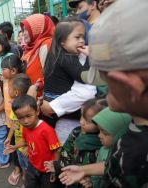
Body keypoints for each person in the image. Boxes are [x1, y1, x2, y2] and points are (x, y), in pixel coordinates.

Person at [59, 0, 148, 187]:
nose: (105, 94)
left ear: (129, 85)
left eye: (107, 82)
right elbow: (117, 163)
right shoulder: (135, 128)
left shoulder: (137, 152)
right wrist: (85, 169)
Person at [41, 17, 91, 143]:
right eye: (77, 37)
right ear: (62, 41)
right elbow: (84, 77)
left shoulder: (55, 55)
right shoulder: (66, 58)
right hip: (57, 108)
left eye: (83, 37)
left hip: (50, 104)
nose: (82, 41)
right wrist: (91, 57)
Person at [44, 98, 106, 186]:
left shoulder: (104, 142)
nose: (81, 122)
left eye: (87, 121)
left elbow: (104, 168)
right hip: (70, 178)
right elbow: (65, 152)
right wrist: (58, 166)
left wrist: (90, 180)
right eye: (81, 116)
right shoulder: (76, 133)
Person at [4, 95, 61, 188]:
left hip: (47, 169)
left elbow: (57, 149)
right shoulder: (26, 127)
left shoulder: (47, 130)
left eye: (28, 116)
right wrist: (14, 147)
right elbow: (25, 141)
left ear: (37, 111)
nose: (25, 121)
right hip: (32, 165)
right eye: (21, 118)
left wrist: (55, 167)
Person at [0, 55, 25, 185]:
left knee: (22, 147)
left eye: (4, 69)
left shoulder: (19, 84)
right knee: (14, 144)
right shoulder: (5, 80)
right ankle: (17, 169)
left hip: (20, 123)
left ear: (14, 71)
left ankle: (23, 172)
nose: (1, 72)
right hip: (10, 120)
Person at [3, 74, 31, 185]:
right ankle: (25, 181)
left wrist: (29, 147)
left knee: (30, 170)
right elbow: (14, 125)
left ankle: (27, 183)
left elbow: (33, 132)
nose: (8, 90)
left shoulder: (27, 111)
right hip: (19, 147)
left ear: (16, 93)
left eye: (10, 88)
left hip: (27, 149)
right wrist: (9, 138)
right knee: (24, 167)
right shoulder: (15, 108)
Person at [20, 14, 55, 85]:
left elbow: (51, 75)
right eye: (23, 30)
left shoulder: (46, 44)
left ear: (37, 29)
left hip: (42, 93)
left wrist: (38, 87)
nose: (24, 33)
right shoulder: (29, 47)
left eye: (27, 29)